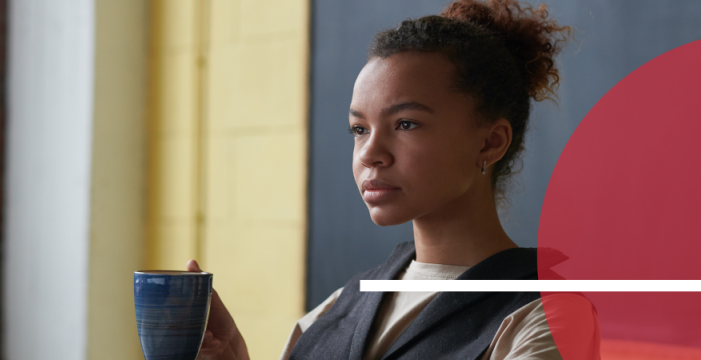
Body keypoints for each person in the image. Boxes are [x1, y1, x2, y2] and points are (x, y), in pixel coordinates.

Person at [186, 0, 599, 359]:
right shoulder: (344, 303)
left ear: (490, 142)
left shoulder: (548, 315)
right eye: (359, 129)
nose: (370, 153)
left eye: (405, 123)